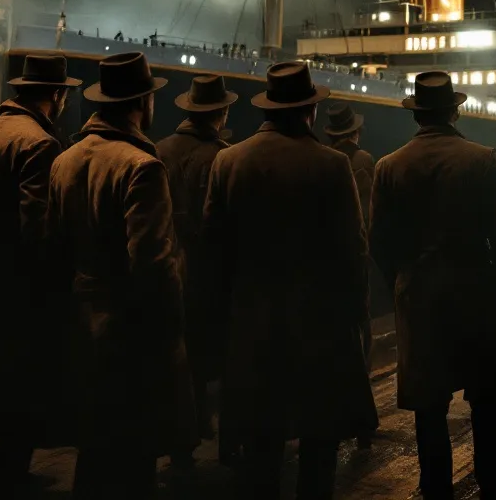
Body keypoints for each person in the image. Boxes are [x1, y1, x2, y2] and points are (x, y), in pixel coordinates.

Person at [203, 61, 377, 499]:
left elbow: (213, 253)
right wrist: (356, 316)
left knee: (260, 452)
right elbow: (353, 252)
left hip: (252, 330)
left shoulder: (228, 161)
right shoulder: (333, 165)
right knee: (319, 450)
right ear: (309, 112)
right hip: (319, 332)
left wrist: (219, 324)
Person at [369, 72, 496, 500]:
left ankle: (436, 489)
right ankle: (494, 486)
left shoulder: (388, 166)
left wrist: (401, 284)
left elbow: (379, 242)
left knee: (429, 406)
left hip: (419, 299)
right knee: (484, 400)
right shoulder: (481, 158)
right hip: (475, 294)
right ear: (454, 110)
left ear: (417, 116)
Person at [48, 52, 194, 499]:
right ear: (142, 104)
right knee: (133, 466)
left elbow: (52, 253)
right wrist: (172, 336)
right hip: (129, 340)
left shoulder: (64, 161)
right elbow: (153, 266)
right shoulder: (141, 167)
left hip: (80, 326)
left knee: (93, 456)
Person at [0, 55, 82, 498]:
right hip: (20, 298)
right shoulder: (39, 144)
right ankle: (8, 482)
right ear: (57, 96)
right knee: (18, 404)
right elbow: (37, 230)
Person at [156, 75, 237, 468]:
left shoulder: (159, 151)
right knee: (217, 361)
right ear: (219, 114)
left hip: (164, 270)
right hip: (208, 275)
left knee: (176, 362)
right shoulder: (222, 157)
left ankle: (180, 448)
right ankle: (223, 445)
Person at [323, 102, 377, 449]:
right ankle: (361, 422)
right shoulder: (363, 162)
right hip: (353, 260)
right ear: (355, 132)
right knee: (359, 338)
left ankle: (330, 413)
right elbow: (370, 215)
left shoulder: (322, 160)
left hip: (321, 263)